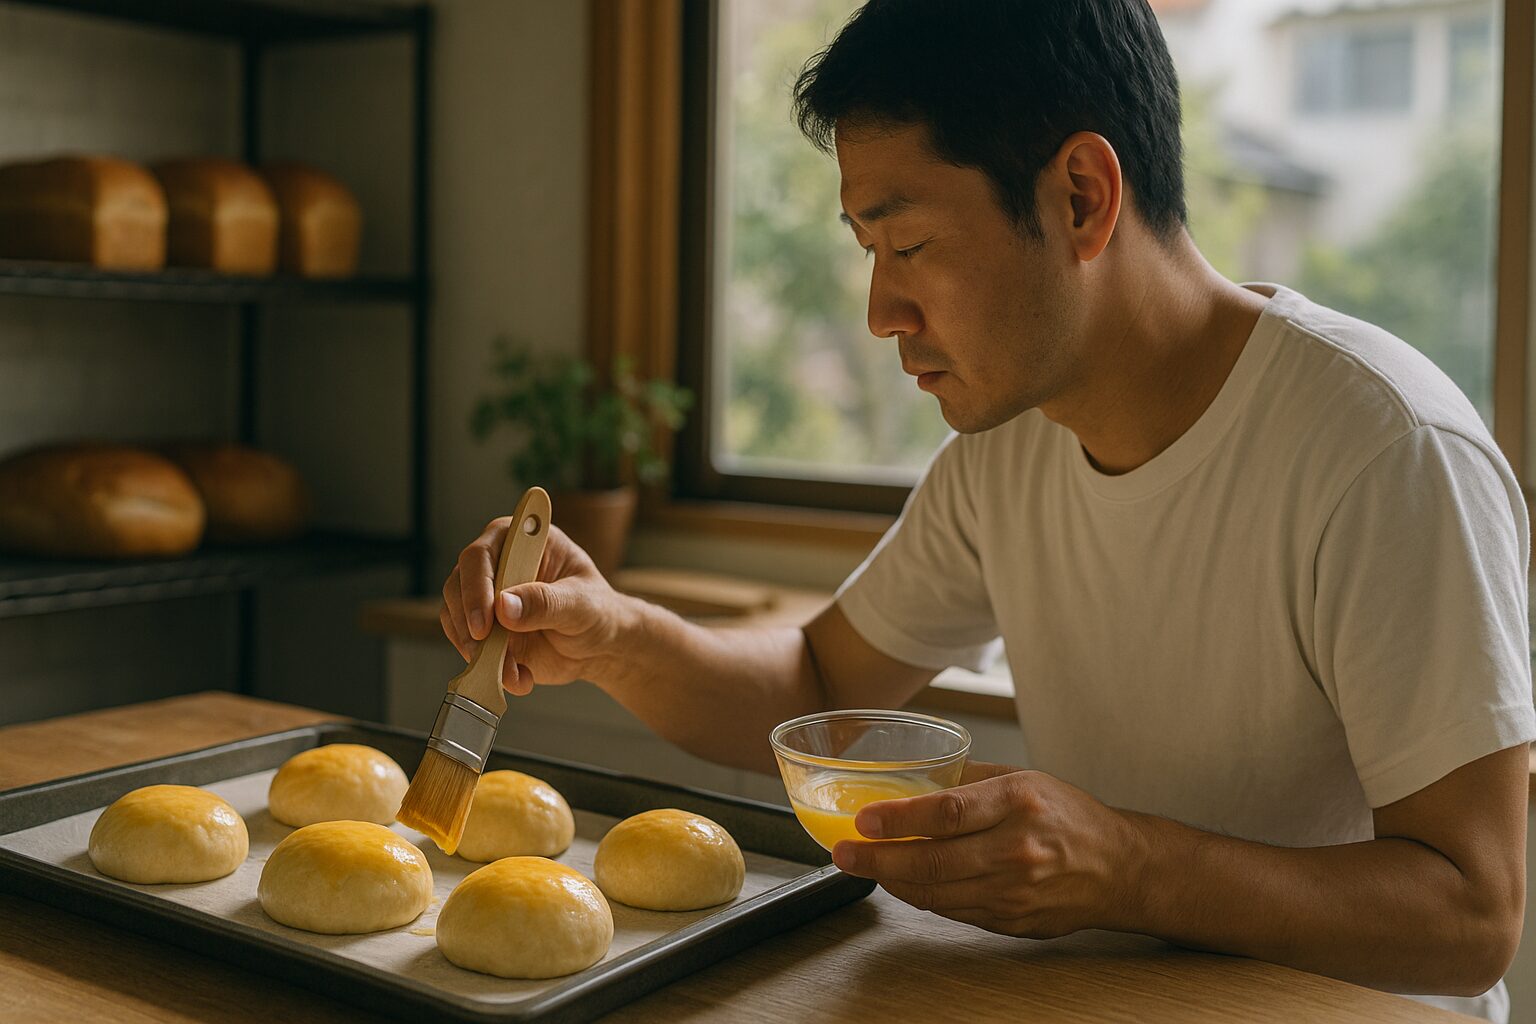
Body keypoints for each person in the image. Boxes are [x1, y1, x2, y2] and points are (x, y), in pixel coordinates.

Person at [439, 1, 1532, 1018]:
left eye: (908, 245)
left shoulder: (1384, 449)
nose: (879, 312)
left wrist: (1127, 864)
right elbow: (823, 685)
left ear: (1081, 200)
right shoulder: (1012, 440)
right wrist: (615, 634)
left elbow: (1472, 916)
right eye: (869, 253)